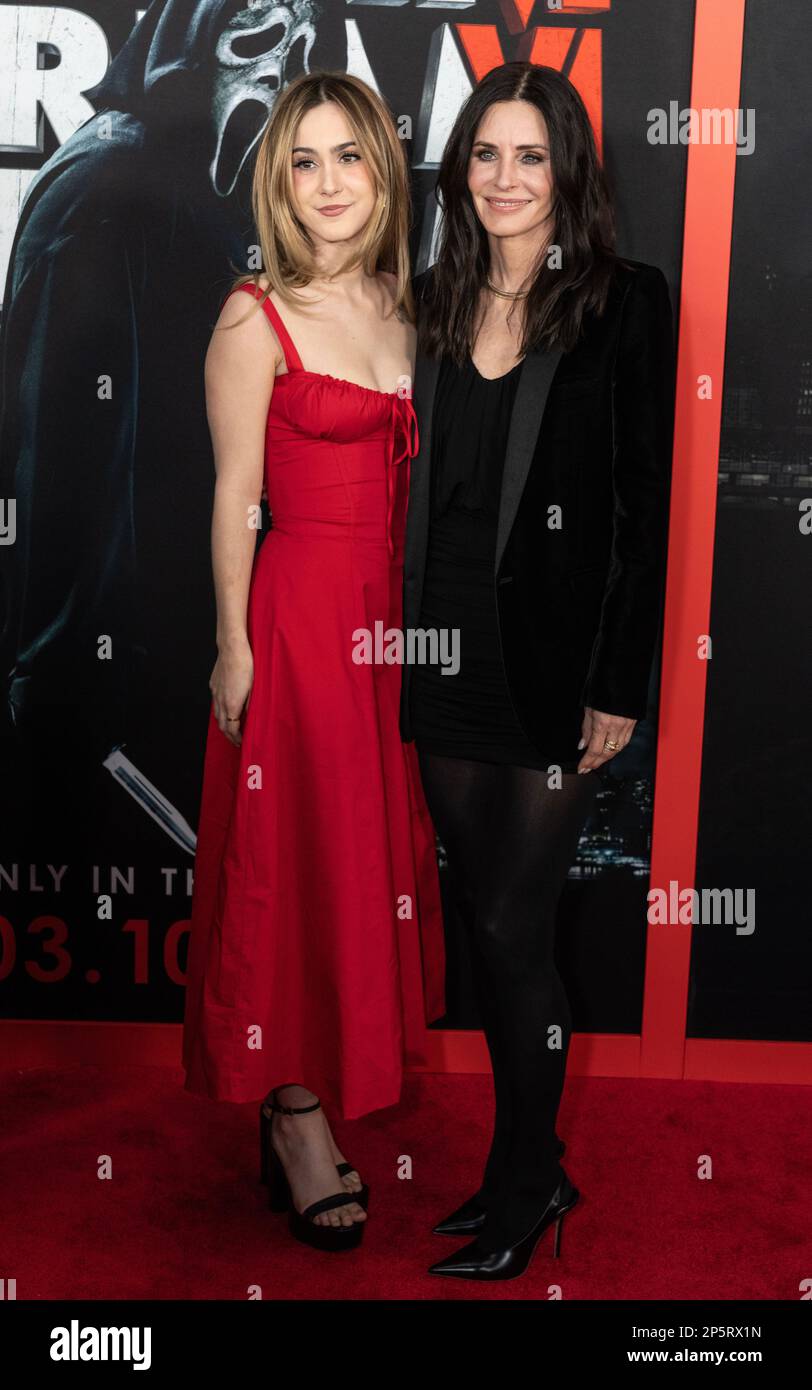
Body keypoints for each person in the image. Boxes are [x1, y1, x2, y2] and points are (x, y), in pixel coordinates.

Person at [400, 61, 676, 1280]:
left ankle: (524, 1177)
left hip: (559, 670)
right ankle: (524, 1167)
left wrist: (618, 681)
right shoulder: (430, 297)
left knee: (515, 922)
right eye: (484, 155)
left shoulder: (622, 301)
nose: (505, 179)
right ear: (459, 170)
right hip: (440, 648)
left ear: (567, 170)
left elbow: (642, 507)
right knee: (484, 920)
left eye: (529, 156)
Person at [181, 71, 446, 1253]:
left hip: (392, 632)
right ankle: (292, 1114)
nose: (329, 182)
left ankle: (319, 1080)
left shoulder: (405, 305)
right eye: (305, 161)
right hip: (296, 624)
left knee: (360, 861)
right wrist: (233, 647)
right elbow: (234, 498)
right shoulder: (254, 315)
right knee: (289, 862)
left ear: (383, 175)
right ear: (277, 182)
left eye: (350, 158)